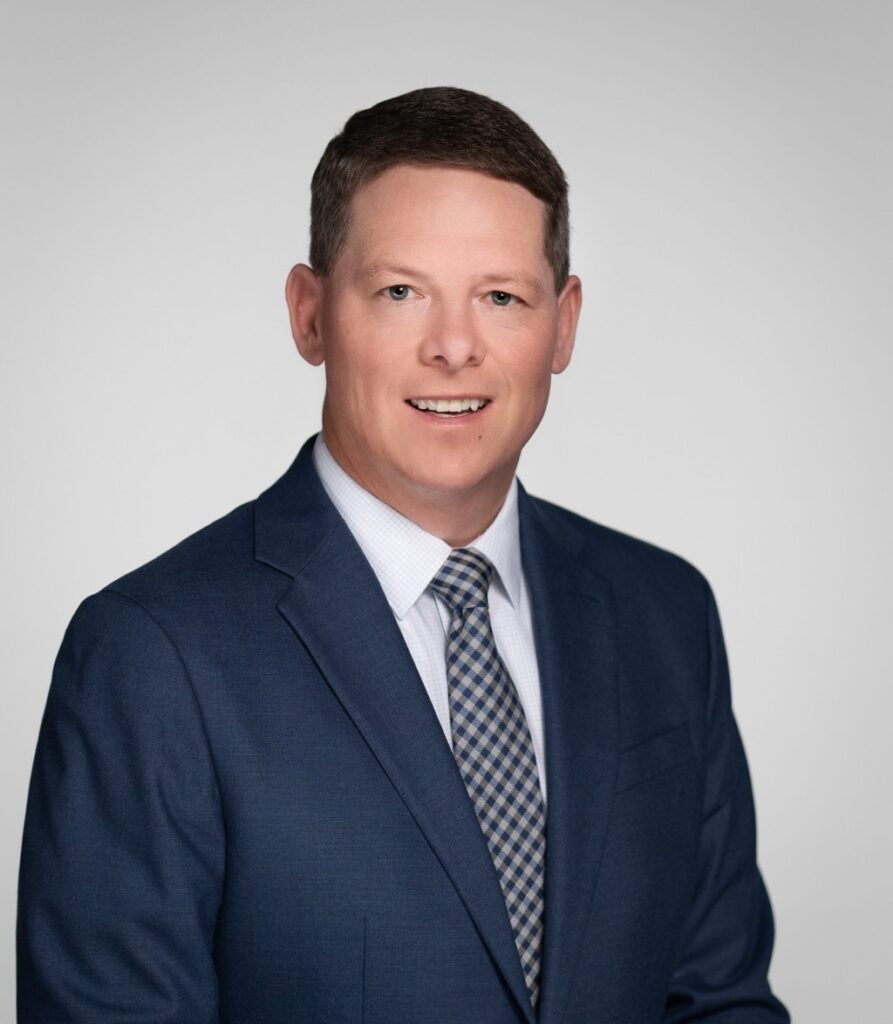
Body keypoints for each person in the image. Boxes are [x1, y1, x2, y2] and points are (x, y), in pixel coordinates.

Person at [16, 86, 790, 1023]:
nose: (454, 348)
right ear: (309, 314)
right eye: (399, 292)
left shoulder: (664, 613)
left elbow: (717, 998)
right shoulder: (150, 655)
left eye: (500, 297)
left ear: (563, 324)